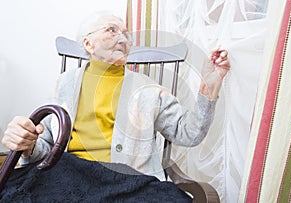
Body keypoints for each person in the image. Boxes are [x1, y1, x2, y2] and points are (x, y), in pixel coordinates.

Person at [2, 11, 230, 181]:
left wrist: (208, 88)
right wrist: (28, 144)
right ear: (88, 43)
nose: (123, 38)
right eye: (112, 30)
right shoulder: (65, 84)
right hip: (69, 174)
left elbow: (188, 134)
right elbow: (46, 147)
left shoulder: (148, 90)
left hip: (128, 180)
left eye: (126, 34)